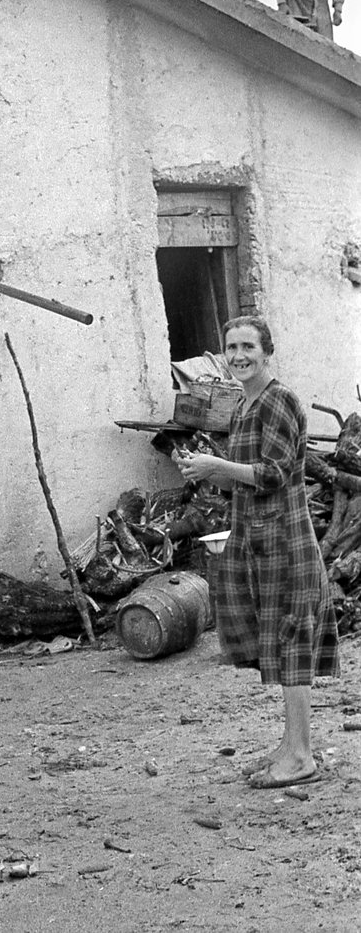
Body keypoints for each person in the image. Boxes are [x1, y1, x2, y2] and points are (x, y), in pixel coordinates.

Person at [176, 316, 339, 789]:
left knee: (291, 644)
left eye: (248, 346)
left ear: (267, 351)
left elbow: (274, 473)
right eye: (231, 347)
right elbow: (246, 476)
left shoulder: (281, 400)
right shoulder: (246, 406)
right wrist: (208, 473)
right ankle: (289, 746)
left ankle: (302, 755)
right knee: (278, 640)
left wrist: (219, 463)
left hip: (286, 542)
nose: (239, 354)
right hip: (257, 541)